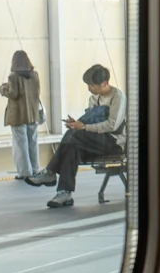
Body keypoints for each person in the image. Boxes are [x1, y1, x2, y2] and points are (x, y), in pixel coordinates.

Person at [24, 64, 125, 208]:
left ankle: (50, 172)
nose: (89, 88)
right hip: (93, 140)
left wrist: (83, 127)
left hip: (113, 142)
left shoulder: (117, 97)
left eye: (92, 85)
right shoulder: (93, 98)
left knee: (73, 135)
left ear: (104, 83)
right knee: (72, 147)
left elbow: (112, 125)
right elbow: (91, 119)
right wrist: (78, 123)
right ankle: (65, 193)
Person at [0, 51, 41, 180]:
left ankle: (24, 171)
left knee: (20, 144)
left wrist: (2, 89)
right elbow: (37, 93)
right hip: (33, 114)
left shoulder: (13, 77)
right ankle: (35, 169)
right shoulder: (35, 75)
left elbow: (13, 94)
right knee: (33, 142)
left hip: (18, 115)